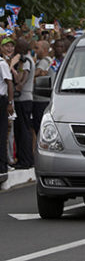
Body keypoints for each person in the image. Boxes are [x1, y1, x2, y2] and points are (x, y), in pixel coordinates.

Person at [13, 37, 35, 169]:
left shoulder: (25, 61)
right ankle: (26, 159)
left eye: (17, 47)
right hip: (24, 99)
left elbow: (21, 80)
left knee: (23, 131)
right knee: (23, 130)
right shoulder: (27, 60)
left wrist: (13, 69)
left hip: (23, 99)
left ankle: (25, 160)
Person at [0, 43, 14, 183]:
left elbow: (9, 83)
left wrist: (10, 103)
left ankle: (2, 167)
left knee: (2, 134)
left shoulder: (2, 64)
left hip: (1, 100)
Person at [32, 40, 53, 135]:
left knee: (39, 128)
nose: (34, 50)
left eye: (37, 48)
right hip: (45, 99)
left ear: (44, 50)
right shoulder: (50, 60)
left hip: (40, 100)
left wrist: (33, 65)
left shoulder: (44, 61)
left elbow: (35, 74)